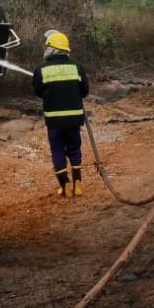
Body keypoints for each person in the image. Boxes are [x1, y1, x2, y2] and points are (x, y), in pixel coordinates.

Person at [33, 30, 89, 197]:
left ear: (52, 49)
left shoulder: (41, 69)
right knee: (74, 148)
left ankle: (65, 186)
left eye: (47, 46)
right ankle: (78, 183)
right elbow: (84, 91)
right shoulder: (77, 67)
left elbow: (38, 92)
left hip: (54, 121)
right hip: (74, 118)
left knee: (58, 150)